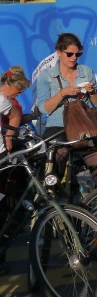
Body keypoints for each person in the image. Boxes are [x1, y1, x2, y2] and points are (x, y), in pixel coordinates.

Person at [35, 33, 97, 188]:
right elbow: (43, 108)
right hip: (57, 126)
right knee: (53, 171)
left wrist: (92, 92)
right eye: (69, 54)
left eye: (78, 54)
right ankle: (54, 207)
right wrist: (62, 93)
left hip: (84, 125)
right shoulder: (47, 75)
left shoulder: (86, 71)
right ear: (59, 52)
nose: (74, 58)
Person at [0, 66, 30, 276]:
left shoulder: (2, 99)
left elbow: (16, 113)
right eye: (18, 89)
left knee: (2, 208)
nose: (19, 93)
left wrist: (9, 136)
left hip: (2, 157)